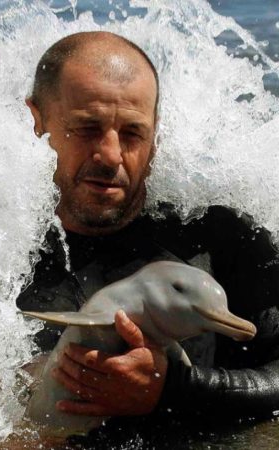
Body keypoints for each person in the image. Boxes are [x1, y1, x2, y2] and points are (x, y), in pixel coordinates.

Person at [18, 31, 279, 424]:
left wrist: (176, 388)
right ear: (38, 122)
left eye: (132, 133)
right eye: (88, 128)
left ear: (155, 135)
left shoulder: (219, 238)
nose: (110, 155)